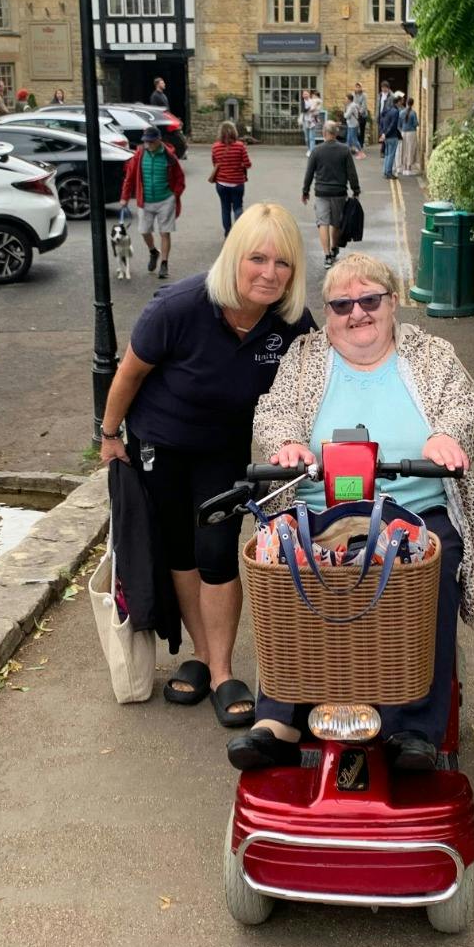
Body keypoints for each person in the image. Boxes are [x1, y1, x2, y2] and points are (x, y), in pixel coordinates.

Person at [231, 253, 474, 772]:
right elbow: (275, 409)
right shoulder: (306, 355)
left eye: (370, 300)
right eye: (342, 304)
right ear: (329, 311)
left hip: (414, 507)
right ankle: (281, 714)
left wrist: (448, 435)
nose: (357, 313)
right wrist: (288, 442)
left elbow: (468, 408)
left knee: (432, 562)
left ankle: (413, 727)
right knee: (279, 560)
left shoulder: (432, 354)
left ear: (392, 301)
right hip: (317, 506)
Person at [99, 204, 314, 727]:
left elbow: (317, 384)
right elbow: (129, 373)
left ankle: (221, 671)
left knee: (216, 553)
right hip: (161, 444)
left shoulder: (290, 322)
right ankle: (198, 654)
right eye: (257, 258)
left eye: (282, 263)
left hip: (223, 449)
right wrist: (108, 436)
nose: (269, 273)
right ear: (234, 258)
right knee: (180, 553)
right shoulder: (178, 306)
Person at [120, 124, 183, 280]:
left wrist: (175, 194)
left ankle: (164, 264)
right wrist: (125, 197)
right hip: (146, 200)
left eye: (151, 142)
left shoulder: (169, 156)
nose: (148, 144)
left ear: (159, 140)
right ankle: (153, 251)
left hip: (165, 199)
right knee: (144, 231)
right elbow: (129, 177)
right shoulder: (140, 154)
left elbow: (180, 178)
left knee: (164, 232)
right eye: (146, 142)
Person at [303, 121, 360, 267]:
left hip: (321, 192)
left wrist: (305, 191)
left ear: (324, 133)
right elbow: (351, 172)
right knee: (336, 223)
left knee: (323, 223)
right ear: (336, 133)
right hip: (339, 193)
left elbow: (309, 172)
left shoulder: (316, 150)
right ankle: (334, 249)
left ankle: (327, 256)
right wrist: (356, 189)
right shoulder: (344, 150)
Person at [210, 120, 252, 237]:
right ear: (234, 132)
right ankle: (239, 233)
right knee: (238, 207)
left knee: (225, 208)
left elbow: (215, 164)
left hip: (222, 183)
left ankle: (228, 232)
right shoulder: (240, 146)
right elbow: (248, 164)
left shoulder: (215, 147)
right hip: (237, 183)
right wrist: (240, 165)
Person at [378, 95, 403, 180]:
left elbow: (382, 122)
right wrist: (387, 134)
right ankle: (388, 172)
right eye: (401, 102)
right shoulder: (396, 112)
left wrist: (383, 133)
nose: (401, 103)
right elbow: (393, 125)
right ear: (398, 102)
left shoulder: (387, 111)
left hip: (386, 136)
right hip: (392, 136)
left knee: (387, 154)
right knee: (391, 155)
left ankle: (385, 171)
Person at [398, 95, 420, 175]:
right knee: (410, 149)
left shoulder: (401, 112)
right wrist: (418, 123)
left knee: (404, 150)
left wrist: (401, 131)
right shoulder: (413, 113)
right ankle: (409, 168)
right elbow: (415, 124)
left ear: (406, 103)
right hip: (411, 133)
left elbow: (399, 125)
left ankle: (403, 168)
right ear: (412, 104)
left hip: (403, 132)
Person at [342, 92, 365, 157]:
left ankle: (361, 153)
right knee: (349, 139)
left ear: (349, 100)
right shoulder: (351, 105)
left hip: (353, 124)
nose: (345, 100)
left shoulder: (351, 106)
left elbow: (346, 116)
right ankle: (347, 153)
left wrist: (344, 112)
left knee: (354, 139)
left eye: (345, 99)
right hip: (351, 124)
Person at [352, 82, 370, 147]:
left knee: (361, 131)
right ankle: (355, 145)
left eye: (359, 87)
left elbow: (364, 105)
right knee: (355, 130)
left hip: (362, 115)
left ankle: (361, 145)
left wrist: (359, 112)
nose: (357, 88)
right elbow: (352, 103)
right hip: (354, 115)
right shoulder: (353, 94)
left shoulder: (364, 95)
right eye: (356, 87)